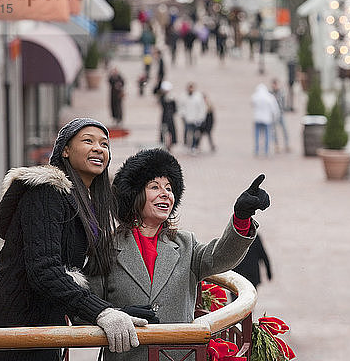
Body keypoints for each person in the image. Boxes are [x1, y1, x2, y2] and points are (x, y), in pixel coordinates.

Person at [0, 118, 148, 360]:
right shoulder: (46, 192)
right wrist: (102, 312)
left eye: (105, 144)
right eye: (88, 141)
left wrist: (118, 309)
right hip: (11, 330)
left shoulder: (85, 201)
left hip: (42, 329)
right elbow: (44, 270)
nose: (99, 148)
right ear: (65, 150)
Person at [88, 148, 270, 360]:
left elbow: (221, 257)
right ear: (134, 195)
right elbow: (84, 311)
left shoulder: (185, 243)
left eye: (169, 188)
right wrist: (117, 315)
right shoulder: (106, 247)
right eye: (154, 187)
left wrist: (241, 216)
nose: (165, 193)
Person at [251, 83, 280, 156]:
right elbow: (275, 108)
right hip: (267, 119)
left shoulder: (255, 96)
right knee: (267, 135)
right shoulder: (269, 97)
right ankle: (266, 150)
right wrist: (276, 117)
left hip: (257, 118)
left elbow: (252, 103)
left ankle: (257, 149)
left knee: (257, 135)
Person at [178, 82, 207, 153]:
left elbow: (202, 108)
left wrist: (200, 118)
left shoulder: (198, 97)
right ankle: (187, 145)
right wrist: (182, 115)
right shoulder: (183, 96)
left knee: (195, 133)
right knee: (187, 132)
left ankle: (194, 146)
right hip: (187, 118)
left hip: (196, 119)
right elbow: (181, 106)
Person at [270, 78, 290, 152]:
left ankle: (287, 144)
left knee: (284, 129)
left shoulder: (281, 93)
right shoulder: (270, 93)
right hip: (274, 115)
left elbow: (283, 103)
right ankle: (276, 145)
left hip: (280, 114)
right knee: (274, 130)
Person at [157, 81, 177, 150]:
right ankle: (163, 143)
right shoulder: (162, 97)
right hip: (165, 117)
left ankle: (170, 144)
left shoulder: (172, 98)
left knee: (171, 131)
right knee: (163, 131)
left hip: (170, 117)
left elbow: (175, 109)